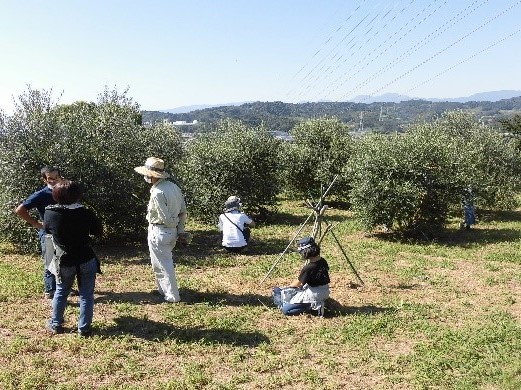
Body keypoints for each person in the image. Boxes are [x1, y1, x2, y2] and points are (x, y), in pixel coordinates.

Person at [44, 180, 103, 336]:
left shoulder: (50, 213)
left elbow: (46, 229)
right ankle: (84, 329)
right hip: (85, 257)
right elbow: (98, 231)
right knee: (86, 295)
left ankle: (56, 324)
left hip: (64, 260)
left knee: (61, 291)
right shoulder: (86, 212)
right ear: (78, 195)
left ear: (56, 196)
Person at [134, 157, 187, 303]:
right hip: (171, 232)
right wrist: (180, 230)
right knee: (159, 262)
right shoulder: (174, 187)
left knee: (164, 264)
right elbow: (183, 212)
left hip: (160, 230)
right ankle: (162, 290)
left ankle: (172, 296)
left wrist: (174, 224)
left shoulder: (157, 192)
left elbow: (166, 218)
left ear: (151, 175)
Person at [14, 166, 62, 298]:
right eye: (50, 178)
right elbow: (20, 210)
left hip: (63, 233)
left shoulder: (64, 191)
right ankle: (50, 291)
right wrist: (36, 224)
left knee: (63, 261)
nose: (54, 181)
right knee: (50, 262)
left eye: (56, 177)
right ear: (44, 180)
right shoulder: (41, 194)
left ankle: (62, 287)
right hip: (48, 234)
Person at [272, 236, 330, 316]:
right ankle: (314, 304)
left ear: (306, 252)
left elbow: (296, 284)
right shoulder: (323, 261)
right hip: (325, 291)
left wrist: (285, 288)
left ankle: (311, 306)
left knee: (285, 309)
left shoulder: (309, 267)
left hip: (313, 294)